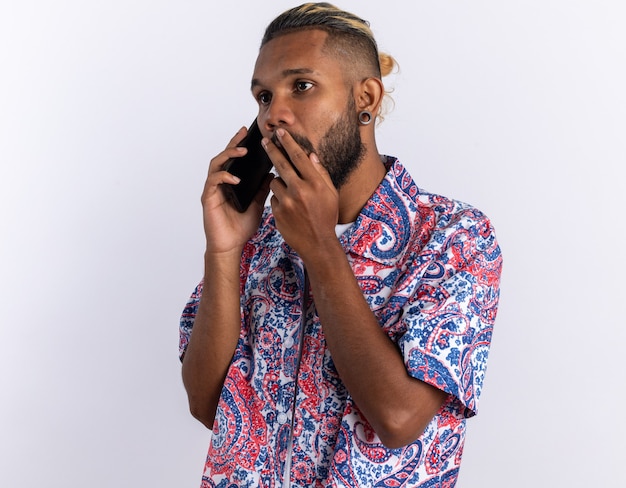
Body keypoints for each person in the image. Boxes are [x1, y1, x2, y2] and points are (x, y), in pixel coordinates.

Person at [179, 3, 503, 487]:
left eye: (301, 87)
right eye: (264, 97)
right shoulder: (260, 242)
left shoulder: (455, 237)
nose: (274, 115)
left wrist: (321, 248)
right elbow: (207, 404)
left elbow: (398, 418)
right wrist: (224, 252)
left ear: (365, 98)